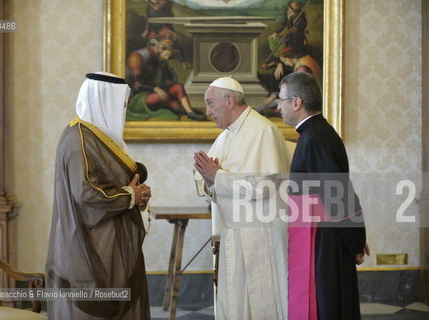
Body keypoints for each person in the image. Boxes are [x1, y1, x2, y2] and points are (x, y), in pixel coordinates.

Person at [46, 72, 152, 320]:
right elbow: (86, 191)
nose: (124, 106)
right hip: (91, 242)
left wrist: (136, 192)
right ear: (104, 101)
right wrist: (130, 196)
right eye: (121, 102)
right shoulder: (79, 140)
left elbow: (111, 177)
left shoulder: (96, 137)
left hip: (109, 238)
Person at [194, 76, 292, 319]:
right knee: (237, 299)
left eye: (210, 104)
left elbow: (265, 185)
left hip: (262, 234)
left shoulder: (263, 131)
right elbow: (212, 183)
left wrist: (217, 177)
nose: (207, 112)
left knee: (264, 300)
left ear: (229, 100)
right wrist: (210, 180)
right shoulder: (225, 136)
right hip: (236, 232)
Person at [277, 72, 369, 320]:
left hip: (323, 238)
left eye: (281, 99)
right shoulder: (316, 133)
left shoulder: (314, 138)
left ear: (297, 102)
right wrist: (356, 235)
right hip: (322, 234)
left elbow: (337, 193)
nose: (278, 106)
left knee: (325, 304)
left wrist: (356, 241)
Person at [126, 38, 205, 121]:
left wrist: (167, 77)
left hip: (159, 91)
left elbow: (169, 79)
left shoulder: (161, 62)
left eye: (169, 56)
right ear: (159, 49)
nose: (167, 58)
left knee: (178, 87)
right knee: (165, 99)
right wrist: (155, 88)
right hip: (141, 95)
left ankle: (190, 112)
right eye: (166, 54)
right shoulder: (144, 60)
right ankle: (181, 109)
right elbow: (137, 84)